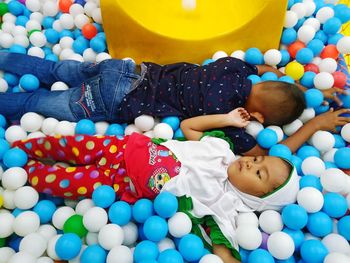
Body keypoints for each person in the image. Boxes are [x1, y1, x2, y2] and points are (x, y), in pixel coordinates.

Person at [13, 108, 299, 262]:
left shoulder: (224, 206)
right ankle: (23, 148)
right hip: (121, 147)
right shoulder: (221, 150)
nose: (252, 163)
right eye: (259, 159)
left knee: (64, 183)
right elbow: (189, 127)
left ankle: (22, 169)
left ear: (258, 198)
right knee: (68, 145)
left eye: (259, 174)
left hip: (117, 184)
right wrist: (227, 119)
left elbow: (223, 250)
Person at [0, 52, 347, 156]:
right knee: (41, 101)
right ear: (256, 116)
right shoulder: (231, 119)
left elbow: (267, 68)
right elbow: (266, 154)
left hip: (124, 70)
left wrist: (299, 83)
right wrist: (313, 124)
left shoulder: (231, 67)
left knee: (56, 69)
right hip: (116, 100)